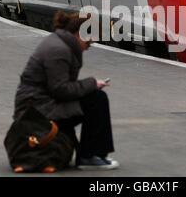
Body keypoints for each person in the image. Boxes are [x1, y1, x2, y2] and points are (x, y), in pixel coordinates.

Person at [13, 11, 119, 170]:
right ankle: (89, 156)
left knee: (94, 97)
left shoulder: (60, 43)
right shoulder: (59, 50)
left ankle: (93, 155)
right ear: (78, 34)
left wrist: (89, 86)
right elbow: (60, 89)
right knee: (97, 99)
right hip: (35, 112)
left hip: (40, 104)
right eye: (88, 43)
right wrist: (92, 84)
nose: (88, 48)